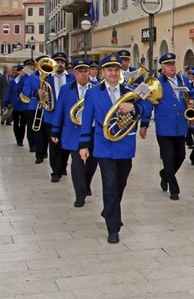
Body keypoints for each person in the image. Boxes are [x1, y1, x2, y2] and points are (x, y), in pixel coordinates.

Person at [79, 53, 151, 244]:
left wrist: (134, 108)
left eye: (116, 69)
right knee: (109, 185)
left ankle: (109, 209)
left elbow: (148, 106)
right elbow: (86, 120)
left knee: (120, 183)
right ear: (102, 72)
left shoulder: (131, 91)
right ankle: (113, 228)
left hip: (125, 144)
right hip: (104, 145)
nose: (113, 73)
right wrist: (84, 145)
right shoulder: (93, 93)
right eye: (109, 70)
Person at [141, 53, 194, 201]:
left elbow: (192, 94)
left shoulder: (183, 80)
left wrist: (192, 101)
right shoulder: (156, 83)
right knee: (168, 157)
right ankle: (174, 189)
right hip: (164, 126)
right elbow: (148, 104)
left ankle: (165, 174)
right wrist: (144, 124)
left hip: (180, 125)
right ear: (162, 67)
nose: (171, 67)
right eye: (168, 64)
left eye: (173, 64)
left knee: (181, 156)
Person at [51, 59, 98, 208]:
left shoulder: (96, 88)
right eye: (80, 72)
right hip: (73, 132)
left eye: (86, 71)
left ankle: (86, 183)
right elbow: (59, 109)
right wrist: (55, 130)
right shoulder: (66, 89)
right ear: (75, 73)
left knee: (92, 162)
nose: (83, 74)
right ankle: (80, 194)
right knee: (77, 163)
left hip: (92, 131)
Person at [43, 52, 75, 182]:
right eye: (57, 62)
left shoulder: (72, 78)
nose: (60, 65)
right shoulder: (46, 78)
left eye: (62, 62)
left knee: (66, 144)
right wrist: (39, 93)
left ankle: (62, 165)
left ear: (65, 64)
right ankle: (55, 172)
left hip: (68, 117)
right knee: (54, 145)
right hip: (51, 116)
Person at [23, 55, 50, 163]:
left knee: (47, 132)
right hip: (35, 107)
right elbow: (25, 90)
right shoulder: (31, 77)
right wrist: (35, 93)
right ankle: (39, 155)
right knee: (37, 132)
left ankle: (44, 151)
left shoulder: (51, 77)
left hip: (48, 108)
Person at [2, 65, 29, 146]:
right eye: (22, 71)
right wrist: (5, 104)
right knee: (16, 122)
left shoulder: (27, 81)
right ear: (18, 72)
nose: (23, 73)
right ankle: (18, 138)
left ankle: (21, 139)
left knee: (23, 123)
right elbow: (9, 93)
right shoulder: (13, 82)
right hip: (15, 105)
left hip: (24, 105)